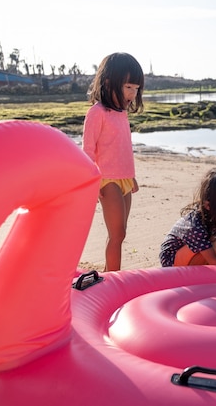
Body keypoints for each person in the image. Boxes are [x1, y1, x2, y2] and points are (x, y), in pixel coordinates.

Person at [82, 52, 144, 271]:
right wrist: (91, 181)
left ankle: (110, 274)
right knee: (116, 234)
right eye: (128, 87)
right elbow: (88, 151)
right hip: (106, 179)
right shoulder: (97, 113)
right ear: (109, 83)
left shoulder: (121, 114)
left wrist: (131, 176)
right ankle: (112, 279)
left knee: (122, 232)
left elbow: (124, 148)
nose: (132, 93)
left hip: (124, 178)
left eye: (136, 88)